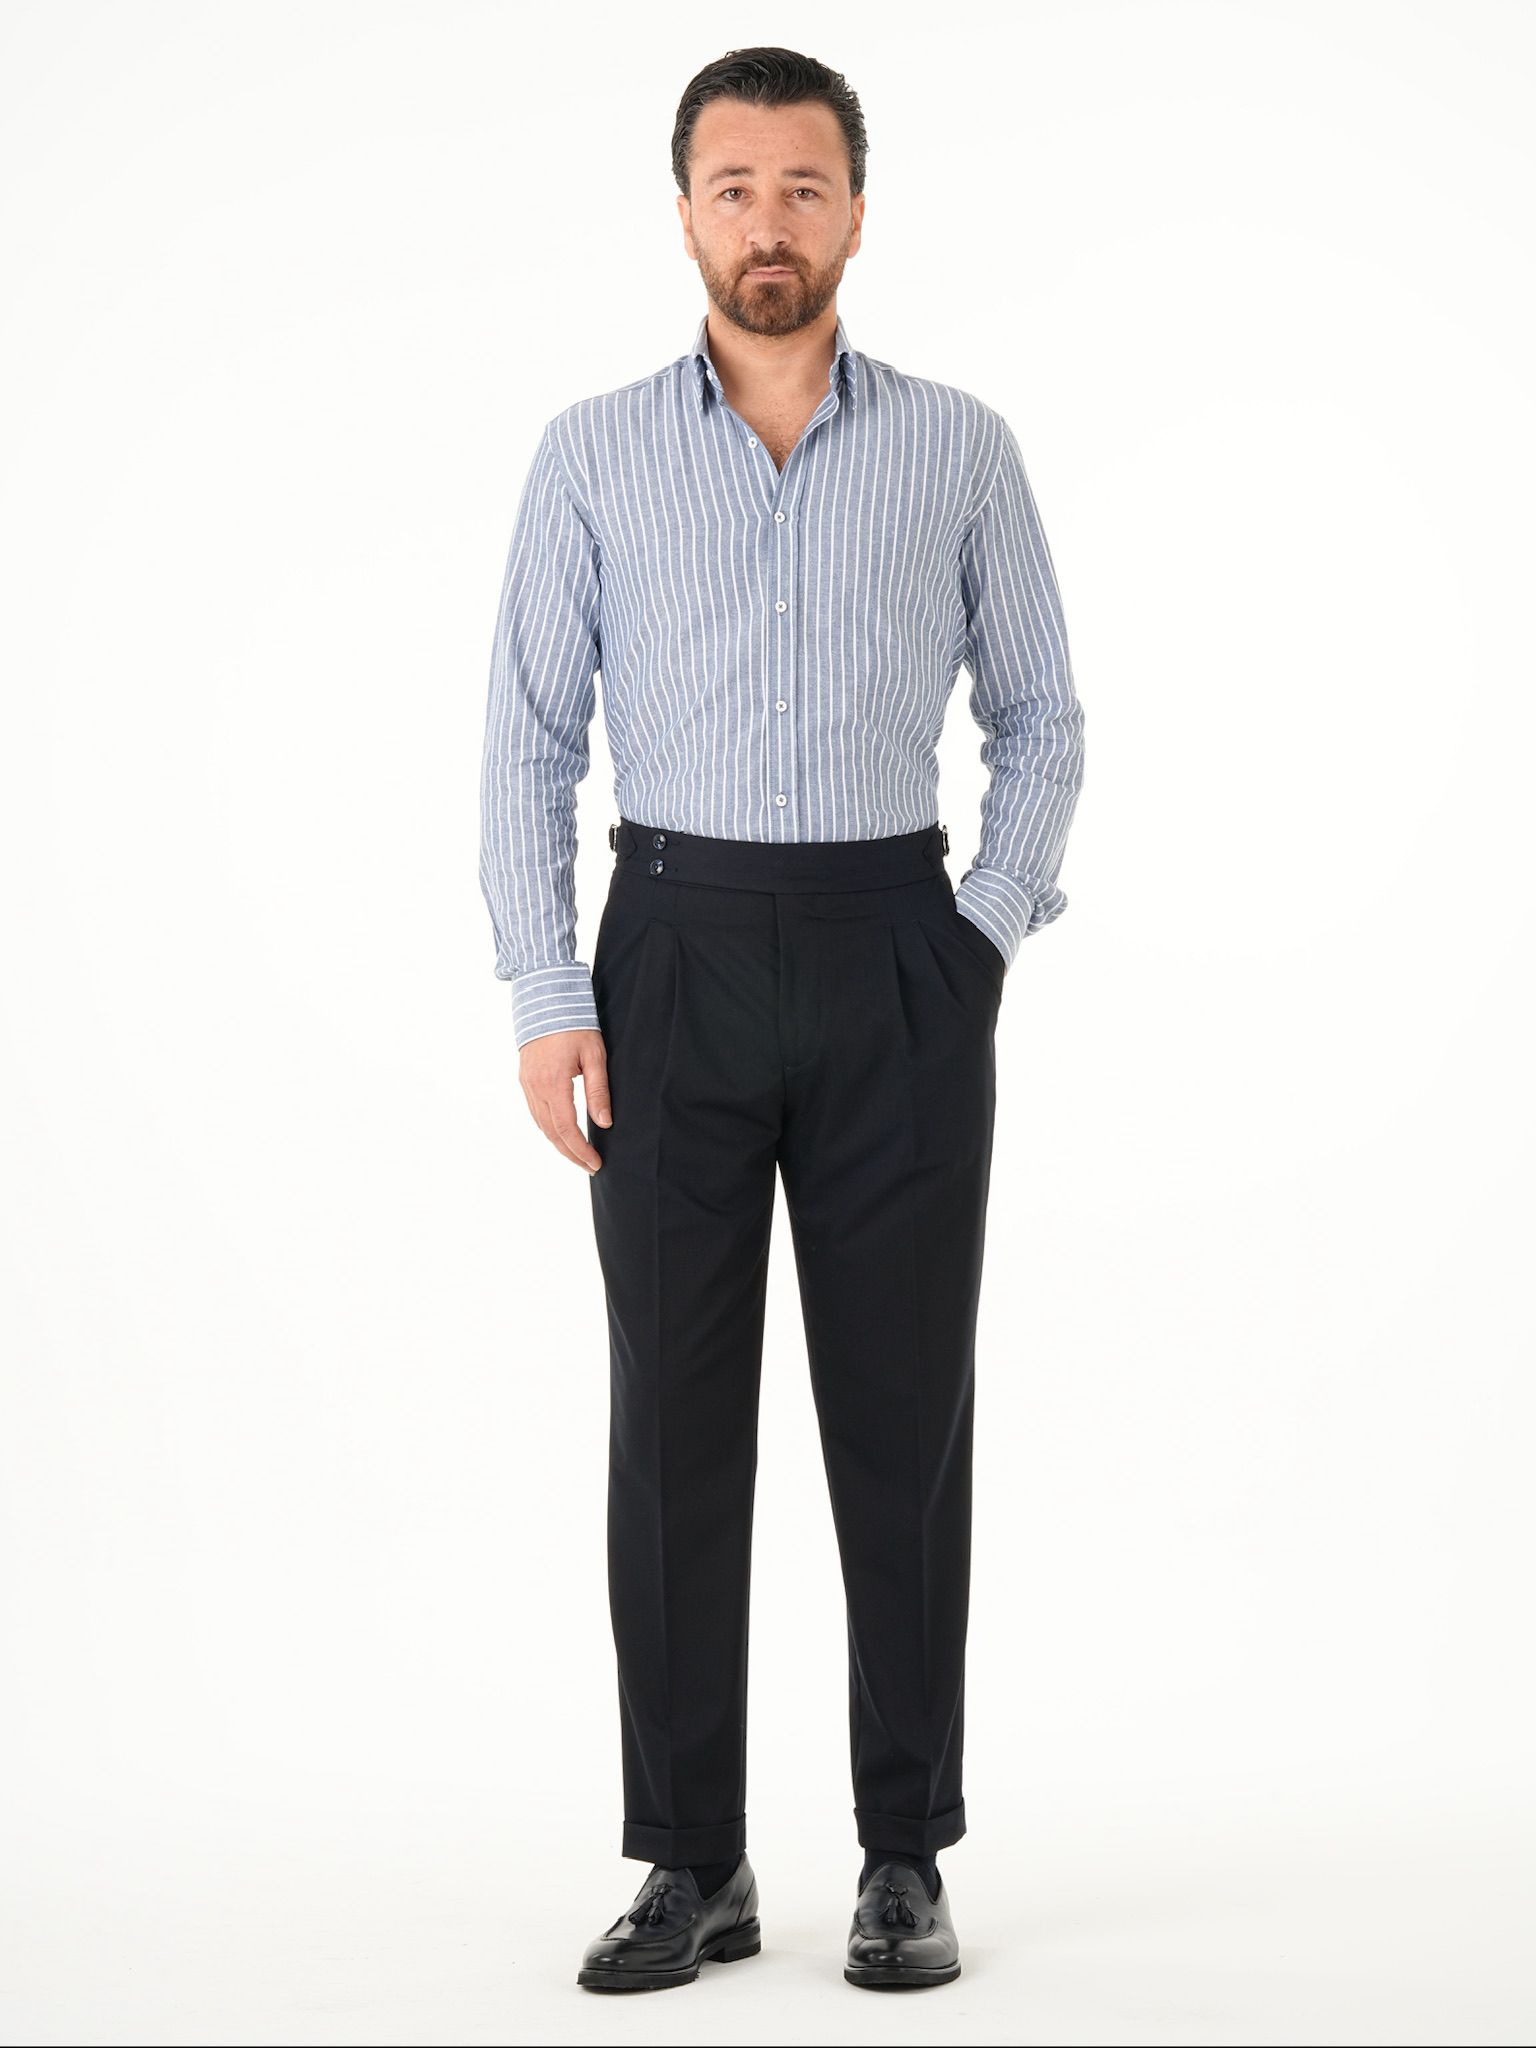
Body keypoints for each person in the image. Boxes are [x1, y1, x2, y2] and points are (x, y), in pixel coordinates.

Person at [478, 44, 1085, 1995]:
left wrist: (973, 940)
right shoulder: (593, 451)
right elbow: (529, 736)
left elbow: (1041, 718)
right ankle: (694, 1859)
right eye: (733, 187)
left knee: (902, 1422)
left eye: (803, 187)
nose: (769, 221)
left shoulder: (957, 446)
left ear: (856, 213)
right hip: (670, 953)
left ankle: (905, 1853)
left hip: (898, 951)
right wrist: (550, 991)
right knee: (673, 1426)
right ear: (684, 213)